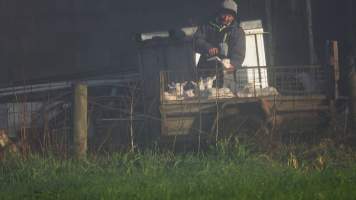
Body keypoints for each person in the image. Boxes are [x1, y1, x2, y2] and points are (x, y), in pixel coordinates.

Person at [193, 0, 246, 89]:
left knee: (225, 94)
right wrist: (207, 47)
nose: (226, 18)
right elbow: (196, 41)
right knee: (204, 95)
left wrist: (233, 64)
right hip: (205, 69)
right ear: (219, 13)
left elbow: (239, 52)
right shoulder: (207, 26)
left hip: (226, 71)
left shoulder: (238, 31)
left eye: (229, 16)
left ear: (234, 17)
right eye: (224, 14)